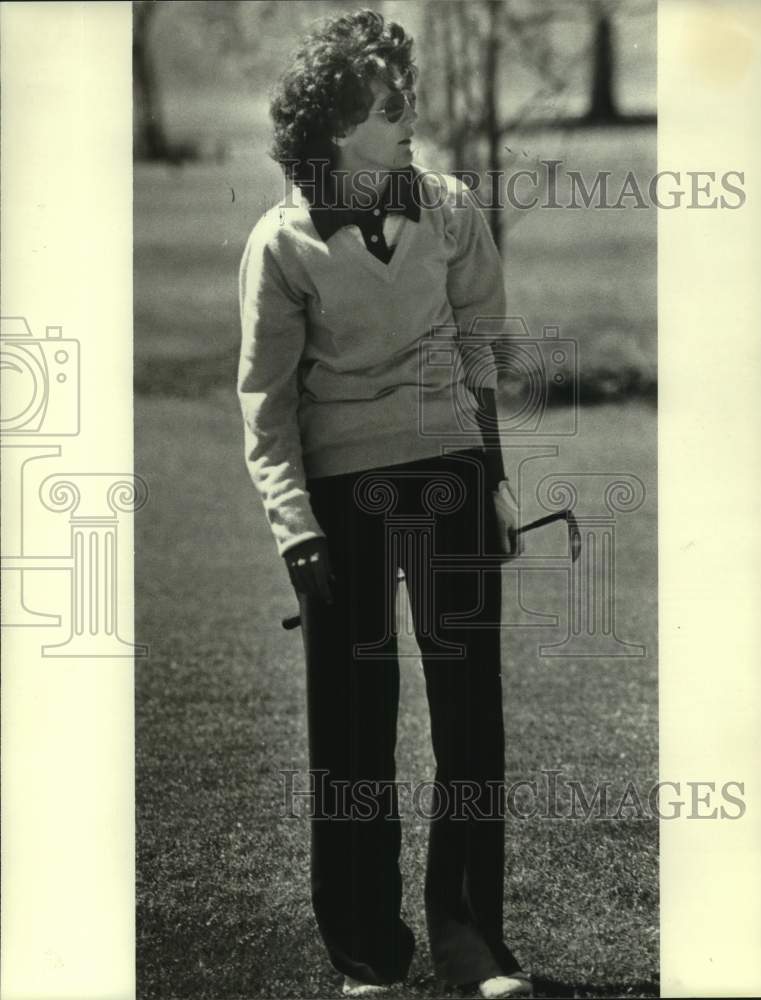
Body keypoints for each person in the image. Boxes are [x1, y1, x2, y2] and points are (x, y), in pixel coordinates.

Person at [237, 10, 531, 999]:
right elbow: (266, 405)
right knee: (355, 724)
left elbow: (480, 354)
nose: (410, 116)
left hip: (449, 471)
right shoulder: (280, 243)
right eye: (388, 103)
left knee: (471, 716)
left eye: (406, 99)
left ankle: (468, 938)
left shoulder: (449, 210)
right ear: (334, 125)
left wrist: (490, 481)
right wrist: (296, 526)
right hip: (339, 499)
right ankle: (367, 947)